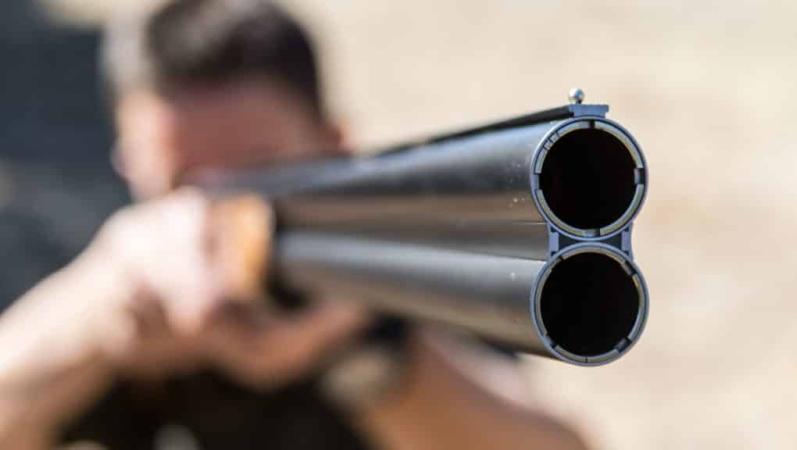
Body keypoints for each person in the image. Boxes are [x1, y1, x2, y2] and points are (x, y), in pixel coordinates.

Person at [0, 1, 589, 449]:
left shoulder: (388, 273)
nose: (219, 212)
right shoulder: (128, 286)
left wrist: (366, 354)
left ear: (336, 147)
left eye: (260, 174)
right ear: (132, 165)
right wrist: (99, 318)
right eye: (183, 184)